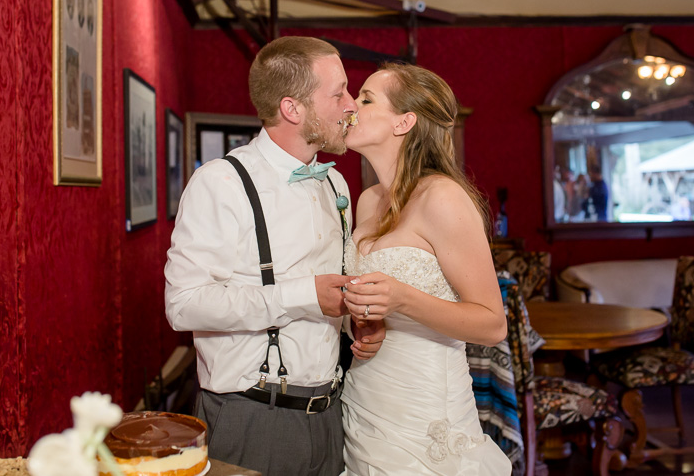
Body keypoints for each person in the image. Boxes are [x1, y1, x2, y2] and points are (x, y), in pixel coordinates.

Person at [164, 37, 385, 476]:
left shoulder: (336, 186)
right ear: (293, 109)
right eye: (338, 92)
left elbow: (328, 293)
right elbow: (183, 305)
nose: (350, 105)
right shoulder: (220, 183)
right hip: (252, 419)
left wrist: (355, 321)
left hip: (331, 415)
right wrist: (302, 295)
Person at [340, 62, 512, 475]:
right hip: (367, 400)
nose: (351, 107)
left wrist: (402, 298)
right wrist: (362, 325)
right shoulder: (366, 202)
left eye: (366, 99)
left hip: (425, 410)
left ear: (405, 121)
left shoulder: (442, 198)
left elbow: (492, 325)